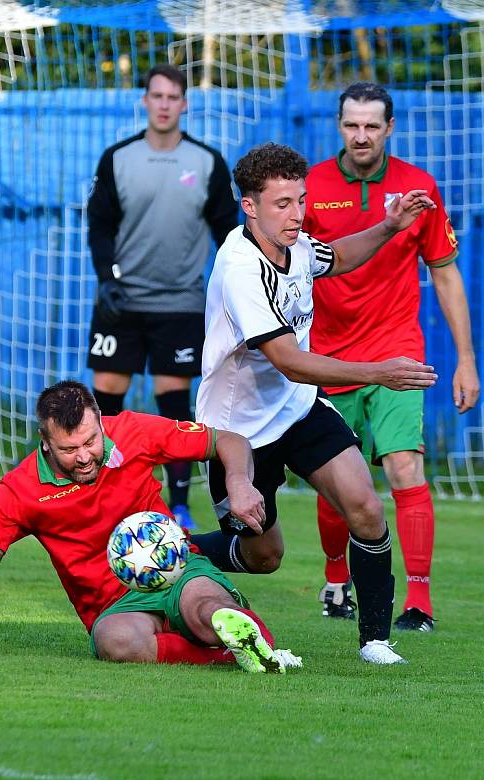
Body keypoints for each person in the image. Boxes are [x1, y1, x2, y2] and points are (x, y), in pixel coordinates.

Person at [191, 142, 438, 665]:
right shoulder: (239, 266)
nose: (297, 214)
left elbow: (339, 256)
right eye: (282, 204)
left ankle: (374, 640)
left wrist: (390, 226)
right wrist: (380, 372)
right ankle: (179, 550)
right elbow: (289, 359)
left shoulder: (297, 244)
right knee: (265, 557)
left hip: (297, 409)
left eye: (301, 200)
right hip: (238, 432)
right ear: (250, 205)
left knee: (367, 508)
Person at [0, 380, 300, 674]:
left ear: (100, 420)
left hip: (177, 569)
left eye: (90, 441)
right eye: (69, 449)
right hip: (114, 606)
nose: (83, 457)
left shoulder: (133, 431)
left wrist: (238, 483)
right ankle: (230, 656)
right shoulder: (21, 490)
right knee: (115, 641)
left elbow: (229, 441)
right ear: (45, 443)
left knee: (206, 608)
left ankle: (254, 643)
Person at [303, 82, 480, 632]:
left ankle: (420, 602)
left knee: (405, 466)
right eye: (352, 125)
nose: (361, 136)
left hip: (397, 351)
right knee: (338, 482)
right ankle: (337, 579)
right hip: (329, 359)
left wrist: (466, 359)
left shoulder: (417, 187)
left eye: (371, 126)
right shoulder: (311, 186)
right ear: (339, 126)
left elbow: (445, 273)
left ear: (390, 128)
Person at [86, 63, 238, 530]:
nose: (165, 104)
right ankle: (98, 499)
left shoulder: (207, 162)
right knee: (107, 400)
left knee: (173, 405)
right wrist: (107, 277)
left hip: (180, 305)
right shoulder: (118, 158)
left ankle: (178, 506)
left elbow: (228, 233)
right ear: (145, 101)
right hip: (122, 302)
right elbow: (100, 227)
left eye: (174, 97)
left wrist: (231, 289)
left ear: (184, 103)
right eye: (157, 96)